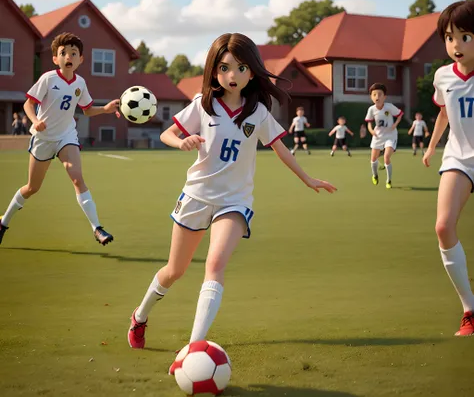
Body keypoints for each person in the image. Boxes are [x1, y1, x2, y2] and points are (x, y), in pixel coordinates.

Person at [127, 33, 337, 360]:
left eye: (241, 68)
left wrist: (307, 178)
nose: (233, 76)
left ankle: (193, 349)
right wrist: (179, 142)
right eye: (225, 68)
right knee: (174, 270)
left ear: (252, 72)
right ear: (214, 72)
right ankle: (139, 316)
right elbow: (167, 132)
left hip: (235, 202)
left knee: (215, 264)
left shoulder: (258, 113)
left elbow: (281, 149)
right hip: (196, 196)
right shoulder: (203, 106)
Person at [0, 32, 119, 246]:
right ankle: (3, 222)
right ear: (56, 58)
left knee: (77, 177)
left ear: (80, 59)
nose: (68, 56)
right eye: (63, 53)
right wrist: (35, 121)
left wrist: (107, 109)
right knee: (32, 188)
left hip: (66, 136)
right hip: (44, 139)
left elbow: (87, 110)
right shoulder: (48, 78)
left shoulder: (80, 83)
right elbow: (28, 104)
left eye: (74, 53)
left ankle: (97, 228)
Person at [423, 0, 474, 336]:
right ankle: (470, 310)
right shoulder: (443, 76)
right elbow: (443, 112)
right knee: (443, 227)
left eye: (465, 36)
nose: (456, 45)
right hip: (459, 158)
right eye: (449, 37)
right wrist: (431, 147)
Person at [365, 83, 403, 189]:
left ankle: (388, 180)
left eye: (380, 94)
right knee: (373, 159)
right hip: (378, 136)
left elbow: (400, 115)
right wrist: (371, 130)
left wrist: (394, 125)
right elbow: (369, 122)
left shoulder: (389, 107)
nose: (377, 97)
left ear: (384, 97)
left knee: (386, 157)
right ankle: (375, 175)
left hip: (390, 135)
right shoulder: (371, 109)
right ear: (371, 97)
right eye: (374, 94)